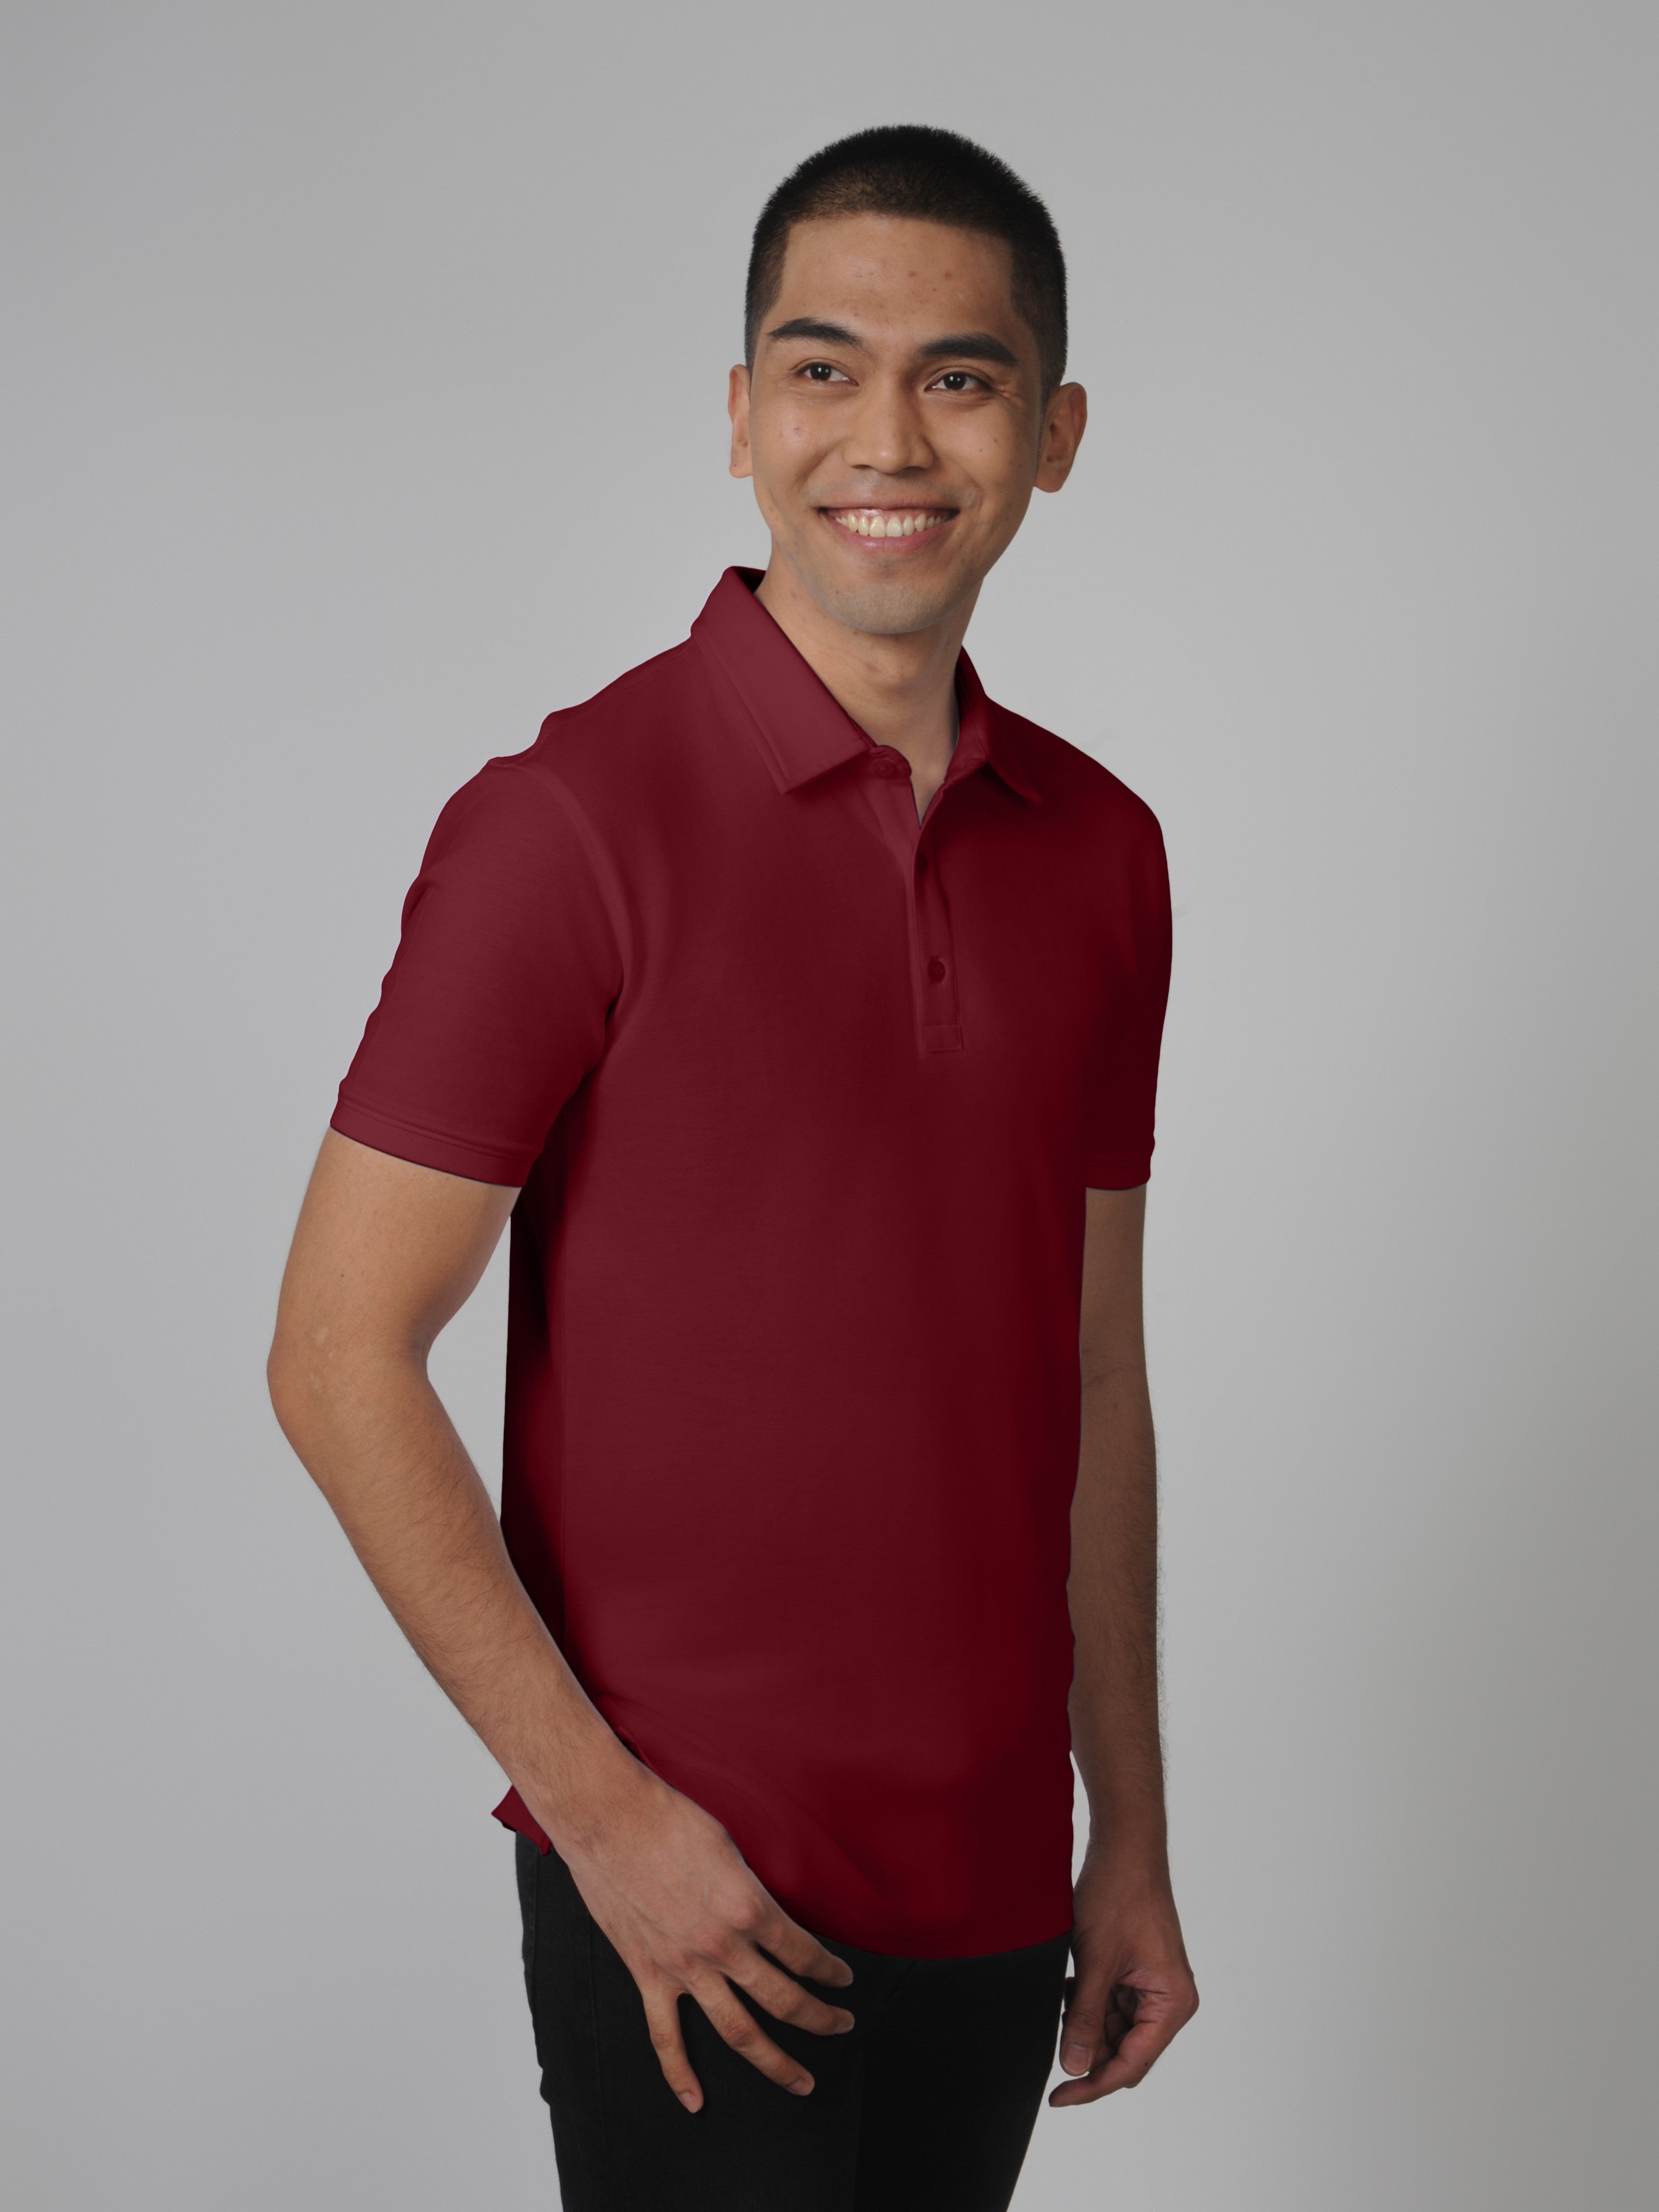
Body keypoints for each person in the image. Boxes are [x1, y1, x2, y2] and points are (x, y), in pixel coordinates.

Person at [268, 123, 1199, 2211]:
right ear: (739, 417)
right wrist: (599, 1818)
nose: (887, 436)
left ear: (1053, 435)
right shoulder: (571, 820)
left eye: (959, 377)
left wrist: (1123, 1832)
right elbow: (337, 1355)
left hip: (994, 1890)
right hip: (694, 1891)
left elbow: (1097, 1379)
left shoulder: (1107, 857)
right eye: (820, 367)